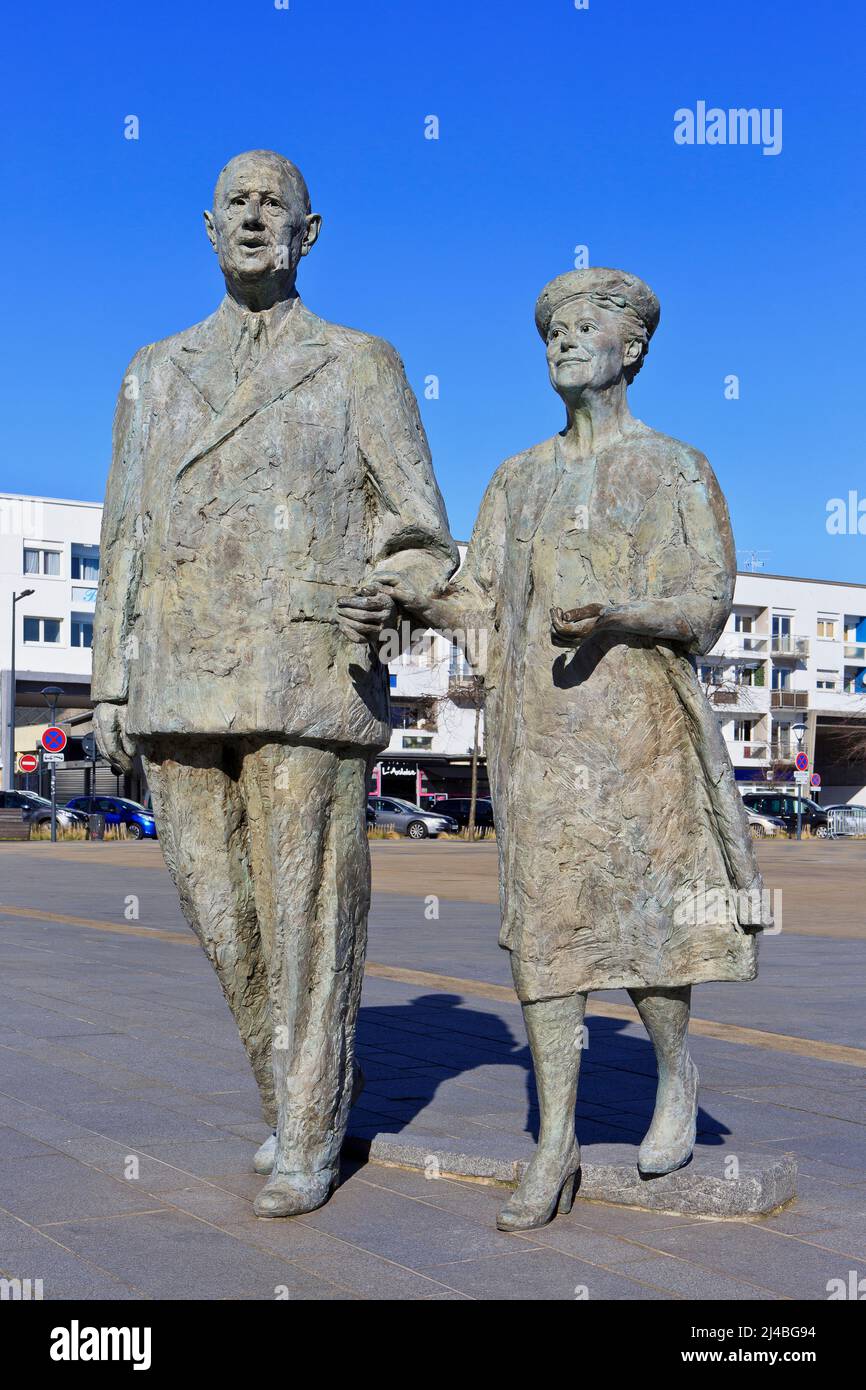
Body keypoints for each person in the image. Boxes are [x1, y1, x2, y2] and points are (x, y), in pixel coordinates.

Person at [92, 150, 457, 1217]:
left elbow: (422, 537)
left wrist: (388, 590)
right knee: (221, 917)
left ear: (311, 231)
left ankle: (305, 1128)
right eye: (237, 204)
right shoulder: (153, 371)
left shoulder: (359, 363)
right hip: (177, 674)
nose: (256, 219)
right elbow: (126, 530)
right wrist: (114, 678)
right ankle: (291, 1094)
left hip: (304, 670)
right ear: (207, 228)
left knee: (304, 916)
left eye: (275, 206)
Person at [369, 267, 769, 1231]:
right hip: (540, 738)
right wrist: (410, 593)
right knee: (547, 931)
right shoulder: (518, 477)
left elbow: (709, 603)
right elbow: (480, 602)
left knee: (648, 921)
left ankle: (675, 1070)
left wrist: (631, 612)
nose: (561, 340)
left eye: (584, 327)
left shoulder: (675, 467)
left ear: (630, 348)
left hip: (641, 733)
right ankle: (554, 1141)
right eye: (551, 329)